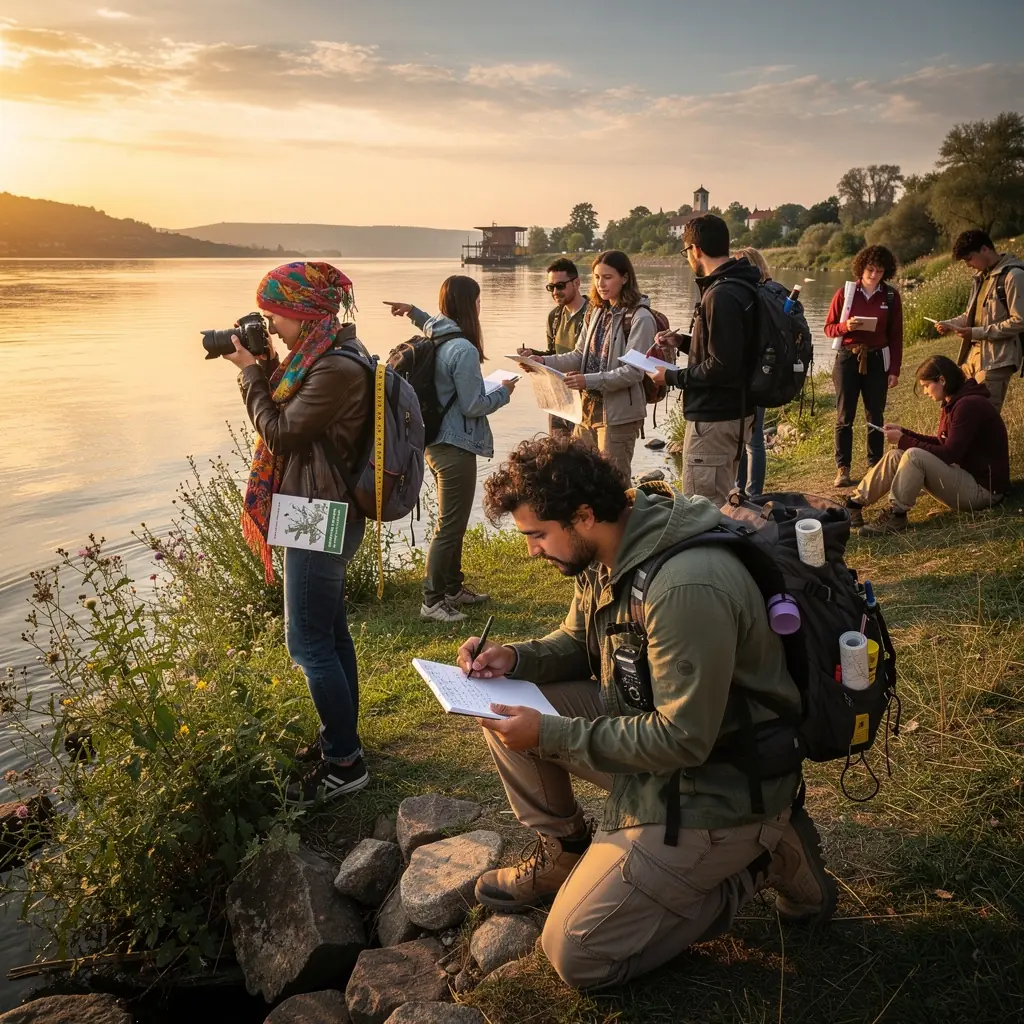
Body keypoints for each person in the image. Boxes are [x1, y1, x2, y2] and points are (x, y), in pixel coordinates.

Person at [457, 437, 835, 991]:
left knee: (576, 955)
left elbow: (684, 739)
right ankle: (564, 852)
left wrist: (551, 733)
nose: (531, 551)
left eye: (537, 535)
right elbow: (578, 638)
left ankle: (761, 861)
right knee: (501, 702)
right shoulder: (610, 545)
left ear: (583, 516)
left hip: (720, 785)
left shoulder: (686, 585)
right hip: (668, 747)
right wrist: (513, 659)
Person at [225, 261, 372, 807]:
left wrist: (250, 376)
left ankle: (345, 764)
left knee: (306, 641)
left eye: (276, 316)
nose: (272, 327)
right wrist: (265, 366)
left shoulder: (333, 368)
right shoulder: (322, 356)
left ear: (303, 312)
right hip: (320, 506)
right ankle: (343, 740)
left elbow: (282, 434)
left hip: (319, 512)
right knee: (329, 632)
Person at [385, 276, 515, 624]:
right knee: (451, 526)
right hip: (455, 446)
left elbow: (429, 321)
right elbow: (473, 405)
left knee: (452, 522)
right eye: (478, 300)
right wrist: (504, 391)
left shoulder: (436, 333)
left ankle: (453, 587)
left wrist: (413, 311)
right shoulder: (465, 349)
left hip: (434, 441)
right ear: (470, 304)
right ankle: (432, 601)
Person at [649, 215, 760, 506]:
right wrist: (683, 342)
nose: (688, 257)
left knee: (703, 508)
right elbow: (731, 350)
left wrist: (671, 377)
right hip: (735, 410)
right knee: (722, 500)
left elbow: (722, 366)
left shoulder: (720, 294)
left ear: (695, 249)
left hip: (714, 418)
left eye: (686, 251)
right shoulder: (741, 284)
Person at [842, 355, 1009, 536]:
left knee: (913, 455)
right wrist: (905, 434)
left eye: (926, 385)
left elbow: (949, 453)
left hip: (984, 491)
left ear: (942, 380)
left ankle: (897, 516)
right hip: (968, 477)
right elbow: (943, 443)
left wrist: (904, 439)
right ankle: (854, 505)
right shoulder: (955, 401)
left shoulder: (967, 405)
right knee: (897, 454)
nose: (925, 392)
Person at [527, 250, 653, 481]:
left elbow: (634, 372)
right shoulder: (596, 312)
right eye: (596, 277)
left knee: (614, 484)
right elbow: (577, 356)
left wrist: (587, 380)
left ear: (625, 278)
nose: (601, 284)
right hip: (586, 411)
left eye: (607, 277)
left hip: (618, 415)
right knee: (581, 479)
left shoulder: (640, 318)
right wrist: (542, 361)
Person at [824, 245, 904, 489]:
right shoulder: (845, 293)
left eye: (880, 271)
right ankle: (843, 468)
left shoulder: (890, 296)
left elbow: (896, 336)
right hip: (848, 358)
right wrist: (846, 326)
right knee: (844, 416)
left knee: (875, 415)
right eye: (870, 269)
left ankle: (874, 466)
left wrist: (894, 370)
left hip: (878, 359)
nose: (874, 275)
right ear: (861, 268)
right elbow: (829, 329)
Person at [936, 230, 1024, 415]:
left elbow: (1019, 321)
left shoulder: (1013, 276)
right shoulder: (980, 277)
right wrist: (949, 324)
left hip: (997, 359)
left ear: (984, 249)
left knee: (984, 416)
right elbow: (971, 315)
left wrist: (975, 333)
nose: (968, 265)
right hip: (972, 356)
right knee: (958, 409)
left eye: (969, 258)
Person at [518, 258, 589, 437]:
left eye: (560, 286)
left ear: (577, 283)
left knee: (586, 459)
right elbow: (553, 354)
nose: (555, 292)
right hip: (558, 399)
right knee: (557, 458)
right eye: (551, 287)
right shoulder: (554, 316)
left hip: (585, 401)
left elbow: (591, 359)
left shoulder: (593, 314)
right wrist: (532, 357)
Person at [732, 246, 772, 496]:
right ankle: (747, 491)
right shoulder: (771, 291)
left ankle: (750, 493)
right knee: (748, 439)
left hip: (752, 374)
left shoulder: (753, 294)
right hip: (763, 373)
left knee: (751, 441)